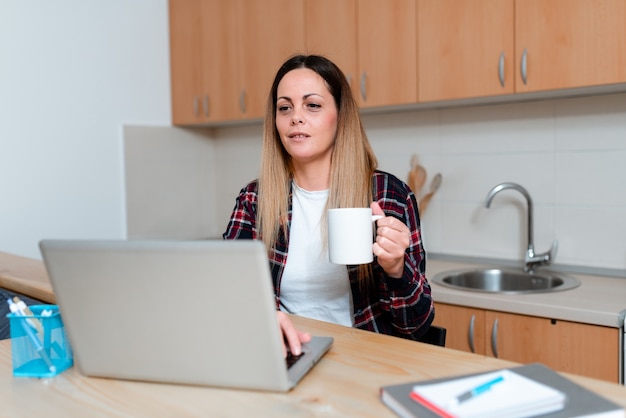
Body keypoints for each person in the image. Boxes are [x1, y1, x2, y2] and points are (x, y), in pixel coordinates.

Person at [223, 54, 434, 357]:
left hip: (368, 361)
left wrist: (396, 268)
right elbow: (229, 300)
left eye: (312, 105)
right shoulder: (254, 200)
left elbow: (418, 325)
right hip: (287, 356)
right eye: (285, 108)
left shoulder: (389, 195)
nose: (296, 117)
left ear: (340, 115)